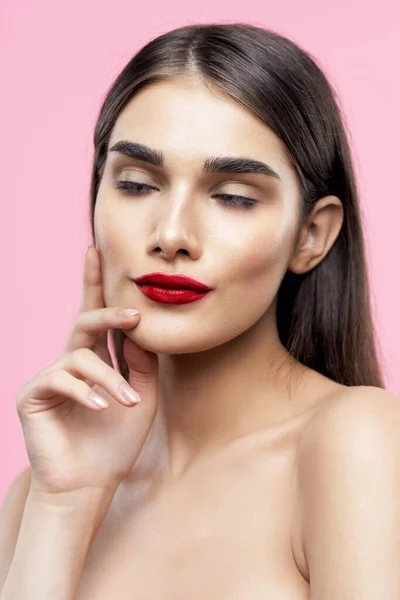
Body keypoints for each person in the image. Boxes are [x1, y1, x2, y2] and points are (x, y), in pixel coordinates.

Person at [1, 22, 399, 599]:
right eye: (136, 184)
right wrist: (66, 504)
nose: (171, 234)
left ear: (311, 235)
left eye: (233, 197)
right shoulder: (40, 493)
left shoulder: (356, 443)